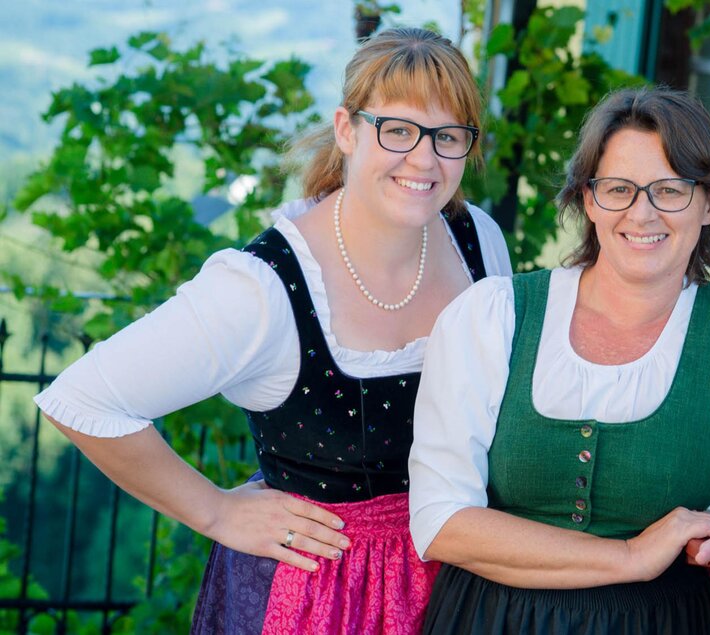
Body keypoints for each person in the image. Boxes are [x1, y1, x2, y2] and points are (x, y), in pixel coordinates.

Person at [33, 27, 511, 634]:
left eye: (448, 136)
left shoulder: (478, 240)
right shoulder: (263, 288)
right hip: (321, 599)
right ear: (347, 130)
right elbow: (82, 401)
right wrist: (216, 513)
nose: (425, 158)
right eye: (398, 130)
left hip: (458, 583)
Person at [407, 87, 710, 634]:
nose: (642, 214)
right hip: (487, 620)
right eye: (619, 189)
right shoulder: (493, 317)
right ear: (589, 200)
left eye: (670, 190)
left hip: (660, 623)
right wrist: (629, 558)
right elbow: (440, 520)